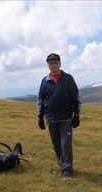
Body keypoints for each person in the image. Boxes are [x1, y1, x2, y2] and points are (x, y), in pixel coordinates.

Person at [37, 53, 81, 181]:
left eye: (55, 62)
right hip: (50, 118)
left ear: (60, 64)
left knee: (65, 144)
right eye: (51, 63)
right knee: (56, 144)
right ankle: (62, 166)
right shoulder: (45, 81)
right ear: (48, 65)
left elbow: (75, 97)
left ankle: (67, 171)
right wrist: (40, 116)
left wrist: (77, 115)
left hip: (65, 118)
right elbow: (41, 99)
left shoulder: (68, 78)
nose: (53, 65)